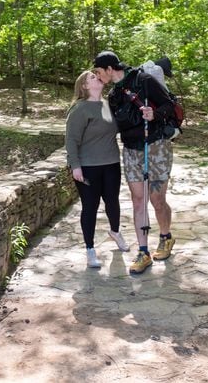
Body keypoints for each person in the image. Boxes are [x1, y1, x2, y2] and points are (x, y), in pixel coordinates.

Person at [93, 51, 176, 275]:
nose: (99, 76)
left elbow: (169, 106)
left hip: (156, 146)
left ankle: (165, 237)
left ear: (110, 68)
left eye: (99, 72)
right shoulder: (113, 95)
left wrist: (155, 114)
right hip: (131, 151)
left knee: (157, 200)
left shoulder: (144, 81)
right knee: (139, 201)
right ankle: (143, 251)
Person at [65, 70, 129, 268]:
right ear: (84, 86)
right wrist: (75, 166)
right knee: (90, 208)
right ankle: (90, 249)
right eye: (91, 77)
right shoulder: (80, 109)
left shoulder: (108, 105)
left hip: (111, 163)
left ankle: (115, 232)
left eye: (96, 75)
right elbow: (71, 140)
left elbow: (120, 128)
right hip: (88, 167)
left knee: (112, 203)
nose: (96, 77)